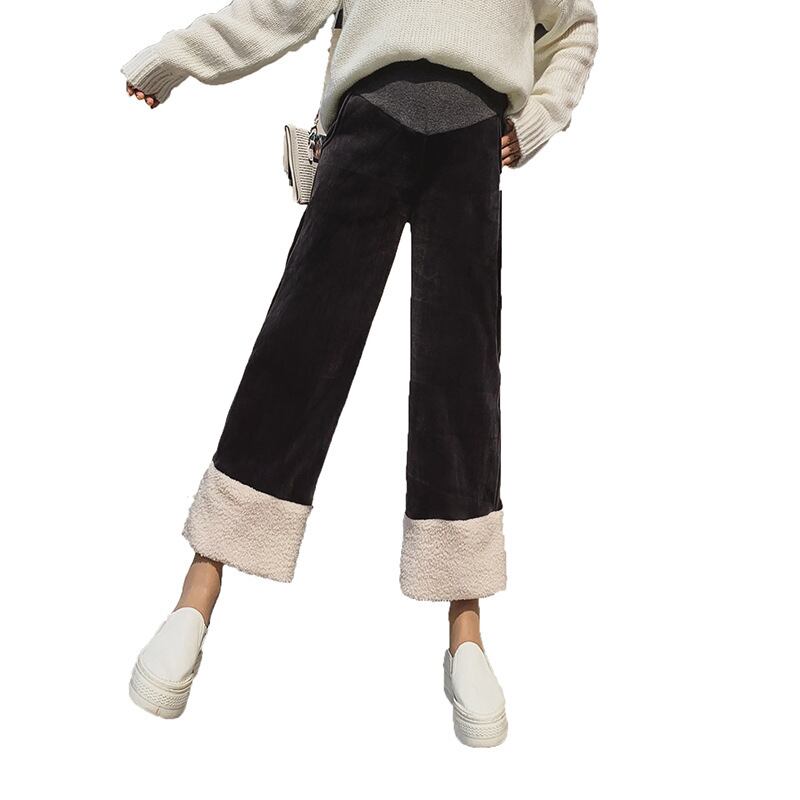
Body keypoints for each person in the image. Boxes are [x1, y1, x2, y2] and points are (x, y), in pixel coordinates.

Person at [121, 0, 598, 747]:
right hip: (368, 126)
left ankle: (466, 633)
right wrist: (177, 57)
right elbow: (282, 9)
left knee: (462, 375)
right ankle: (196, 596)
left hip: (472, 143)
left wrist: (540, 115)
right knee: (299, 349)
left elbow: (575, 28)